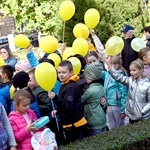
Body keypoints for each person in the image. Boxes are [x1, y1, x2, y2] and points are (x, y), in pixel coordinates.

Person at [48, 60, 87, 145]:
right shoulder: (66, 85)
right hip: (71, 124)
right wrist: (58, 111)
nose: (61, 75)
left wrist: (55, 97)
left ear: (71, 72)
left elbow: (69, 106)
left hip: (75, 126)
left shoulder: (71, 87)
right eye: (59, 72)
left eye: (64, 72)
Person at [107, 58, 150, 124]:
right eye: (130, 70)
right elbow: (119, 78)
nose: (131, 72)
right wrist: (110, 69)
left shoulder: (147, 85)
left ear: (141, 70)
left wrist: (142, 112)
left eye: (134, 70)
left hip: (143, 118)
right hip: (131, 116)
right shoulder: (130, 80)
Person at [101, 56, 128, 130]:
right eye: (110, 64)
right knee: (112, 126)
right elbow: (97, 71)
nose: (111, 66)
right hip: (109, 104)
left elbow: (124, 92)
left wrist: (123, 109)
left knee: (120, 126)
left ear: (117, 65)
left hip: (117, 104)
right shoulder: (107, 74)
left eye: (113, 64)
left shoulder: (120, 76)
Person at [82, 62, 106, 136]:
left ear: (91, 77)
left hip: (93, 121)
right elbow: (104, 103)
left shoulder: (90, 91)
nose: (85, 77)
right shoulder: (101, 87)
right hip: (102, 118)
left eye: (87, 76)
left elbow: (80, 100)